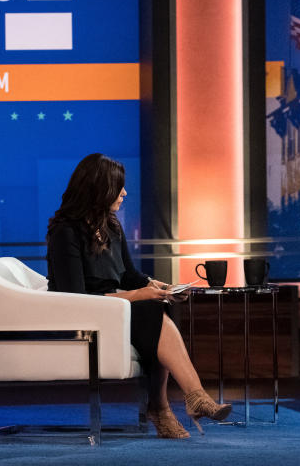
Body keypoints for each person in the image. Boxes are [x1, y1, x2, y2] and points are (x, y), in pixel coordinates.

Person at [46, 153, 231, 439]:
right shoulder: (65, 232)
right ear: (99, 188)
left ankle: (182, 401)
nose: (124, 193)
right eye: (118, 186)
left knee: (156, 305)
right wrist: (139, 294)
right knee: (148, 307)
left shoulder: (111, 226)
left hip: (113, 310)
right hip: (82, 314)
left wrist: (161, 287)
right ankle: (173, 404)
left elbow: (129, 274)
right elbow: (76, 296)